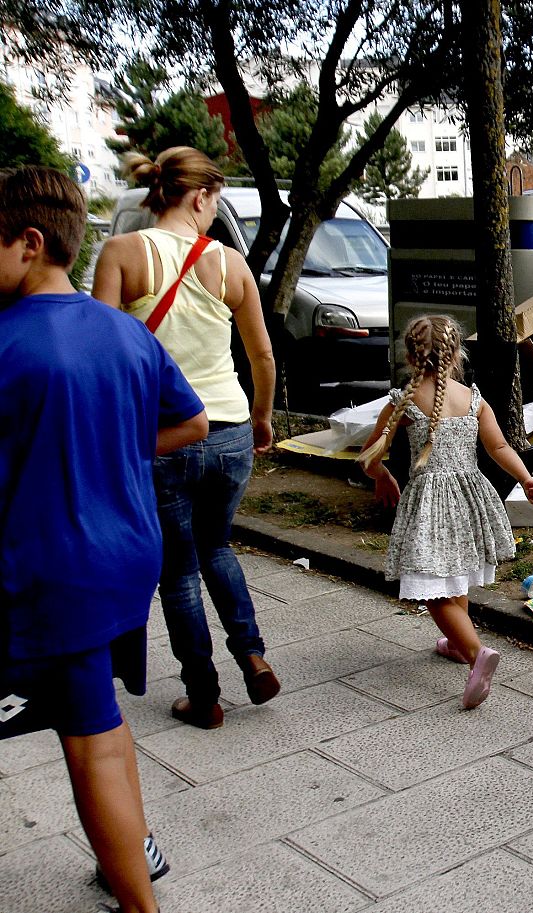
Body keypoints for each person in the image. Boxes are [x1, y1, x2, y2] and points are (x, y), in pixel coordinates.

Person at [0, 165, 210, 913]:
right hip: (122, 558)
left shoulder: (6, 342)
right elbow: (191, 422)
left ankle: (137, 900)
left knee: (91, 740)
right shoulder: (124, 331)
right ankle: (132, 848)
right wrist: (117, 443)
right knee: (97, 719)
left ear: (28, 243)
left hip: (55, 568)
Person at [92, 147, 280, 729]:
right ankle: (251, 653)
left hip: (162, 436)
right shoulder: (230, 264)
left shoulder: (123, 253)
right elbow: (263, 357)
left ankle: (203, 694)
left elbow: (103, 355)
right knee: (218, 546)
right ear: (200, 196)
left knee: (177, 570)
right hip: (228, 431)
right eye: (215, 201)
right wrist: (262, 419)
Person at [357, 315, 533, 709]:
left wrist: (382, 476)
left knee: (432, 590)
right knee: (454, 577)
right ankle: (460, 645)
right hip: (469, 498)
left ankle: (478, 655)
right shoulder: (473, 399)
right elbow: (499, 448)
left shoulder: (403, 402)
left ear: (409, 356)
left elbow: (370, 454)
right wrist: (528, 479)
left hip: (429, 504)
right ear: (457, 353)